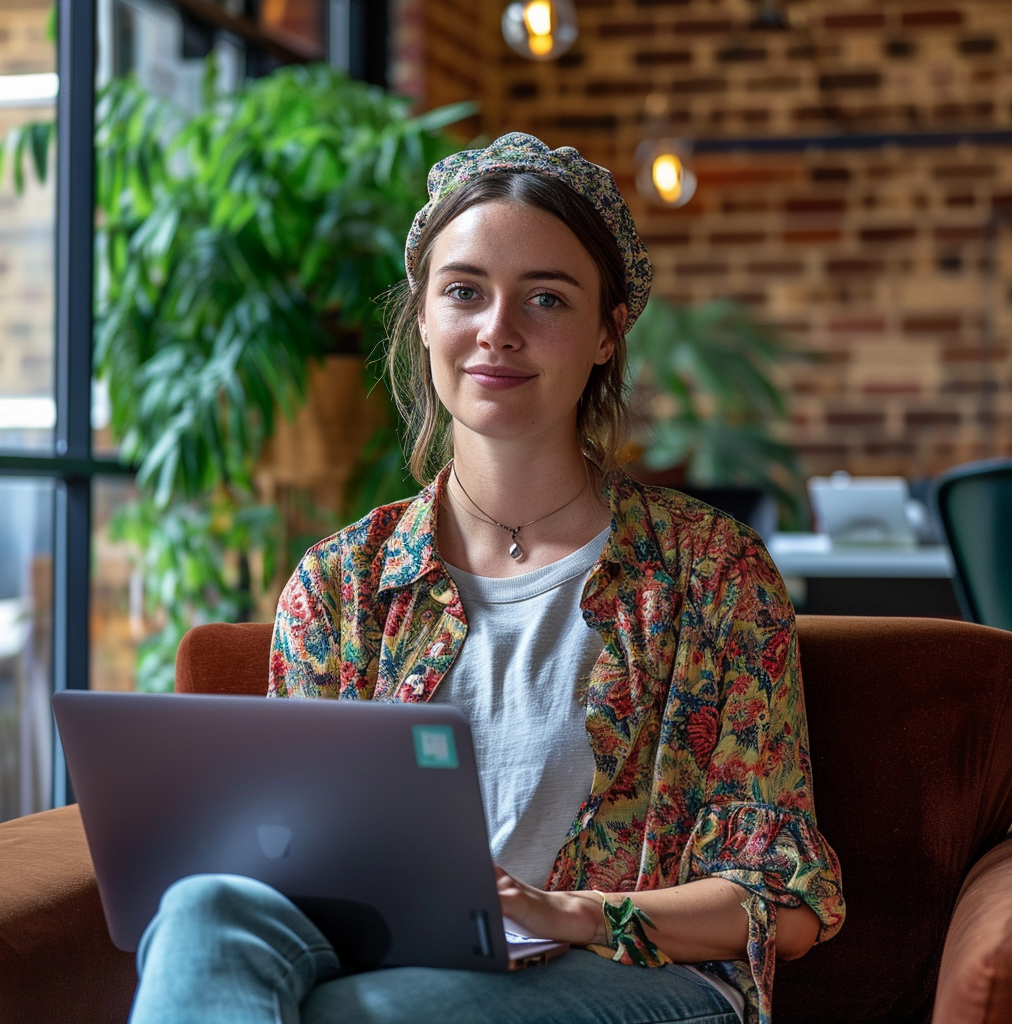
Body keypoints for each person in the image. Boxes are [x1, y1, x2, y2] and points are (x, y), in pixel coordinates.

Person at [129, 132, 844, 1024]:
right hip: (396, 960)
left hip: (643, 984)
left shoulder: (712, 574)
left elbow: (782, 901)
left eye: (546, 298)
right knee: (203, 912)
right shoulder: (341, 583)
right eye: (464, 291)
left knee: (355, 1015)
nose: (497, 330)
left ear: (606, 334)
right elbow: (293, 868)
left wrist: (569, 914)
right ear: (424, 315)